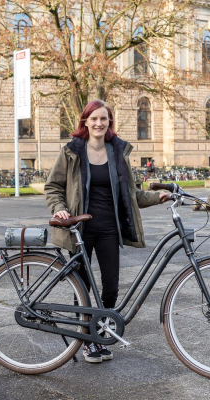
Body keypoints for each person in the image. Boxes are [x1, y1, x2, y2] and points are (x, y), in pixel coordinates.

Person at [45, 100, 171, 364]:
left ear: (109, 122)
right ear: (85, 122)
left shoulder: (117, 152)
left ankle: (99, 331)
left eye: (104, 119)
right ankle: (88, 342)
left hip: (109, 230)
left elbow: (130, 193)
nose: (99, 123)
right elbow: (53, 186)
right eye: (94, 119)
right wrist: (59, 208)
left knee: (111, 286)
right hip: (79, 228)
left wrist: (156, 197)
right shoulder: (72, 151)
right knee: (83, 286)